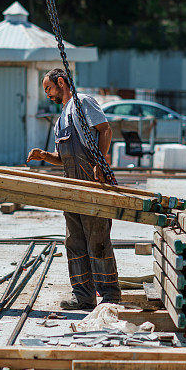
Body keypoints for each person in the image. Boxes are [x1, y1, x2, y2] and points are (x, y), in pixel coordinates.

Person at [27, 68, 121, 310]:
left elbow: (105, 130)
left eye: (49, 89)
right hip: (72, 187)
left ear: (61, 82)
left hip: (91, 183)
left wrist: (101, 162)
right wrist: (45, 156)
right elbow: (64, 157)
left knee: (98, 240)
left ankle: (110, 297)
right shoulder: (61, 119)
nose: (48, 95)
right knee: (74, 243)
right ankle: (84, 297)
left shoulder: (82, 103)